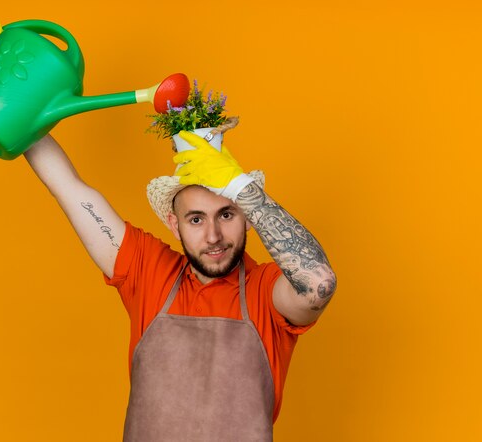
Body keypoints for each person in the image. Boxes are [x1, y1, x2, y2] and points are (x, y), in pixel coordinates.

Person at [23, 130, 337, 442]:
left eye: (226, 214)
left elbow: (319, 283)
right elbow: (69, 189)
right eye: (196, 219)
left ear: (248, 219)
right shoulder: (148, 271)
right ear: (175, 224)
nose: (213, 236)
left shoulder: (267, 291)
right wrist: (24, 117)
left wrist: (240, 188)